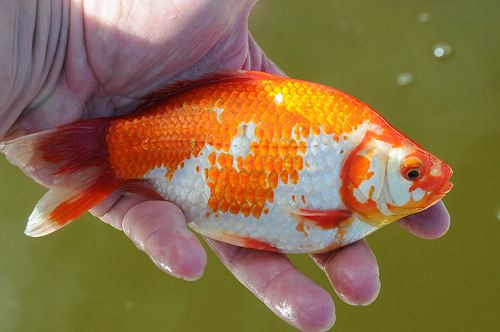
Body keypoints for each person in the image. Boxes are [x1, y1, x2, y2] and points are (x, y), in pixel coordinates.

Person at [0, 1, 450, 331]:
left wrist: (49, 37)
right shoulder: (344, 207)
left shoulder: (352, 178)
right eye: (411, 172)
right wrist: (52, 39)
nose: (421, 180)